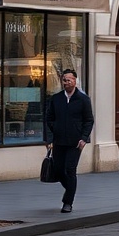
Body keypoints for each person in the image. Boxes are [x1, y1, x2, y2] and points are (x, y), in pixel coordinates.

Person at [44, 69, 94, 213]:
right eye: (64, 80)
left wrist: (84, 138)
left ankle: (68, 202)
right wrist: (49, 139)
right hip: (59, 141)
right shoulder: (56, 99)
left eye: (69, 80)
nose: (66, 83)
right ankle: (71, 188)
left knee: (70, 170)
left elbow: (89, 120)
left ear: (75, 80)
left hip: (75, 142)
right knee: (59, 171)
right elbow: (49, 119)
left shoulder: (83, 99)